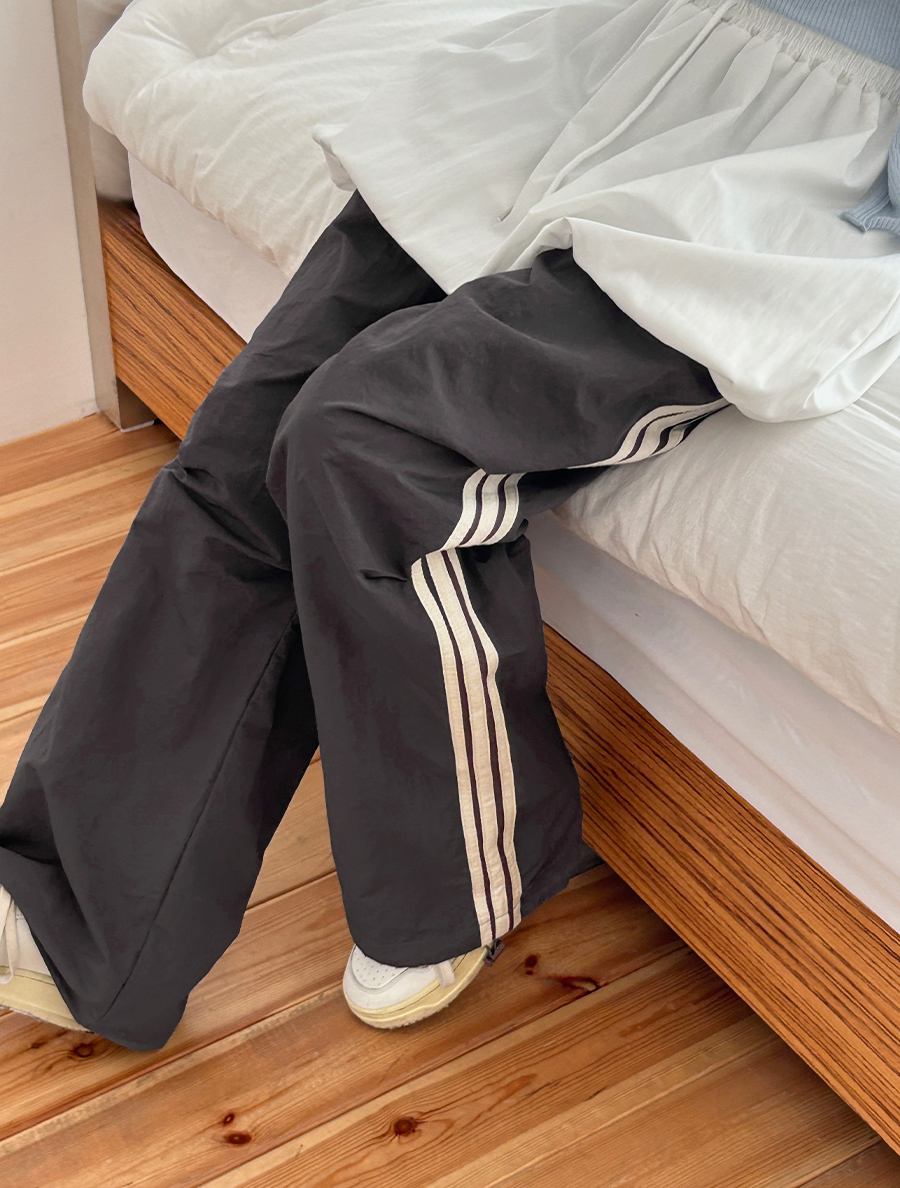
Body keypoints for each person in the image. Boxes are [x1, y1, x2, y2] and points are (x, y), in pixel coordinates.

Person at [2, 0, 898, 1049]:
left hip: (802, 172)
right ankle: (67, 906)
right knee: (243, 447)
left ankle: (461, 878)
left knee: (363, 442)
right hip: (611, 60)